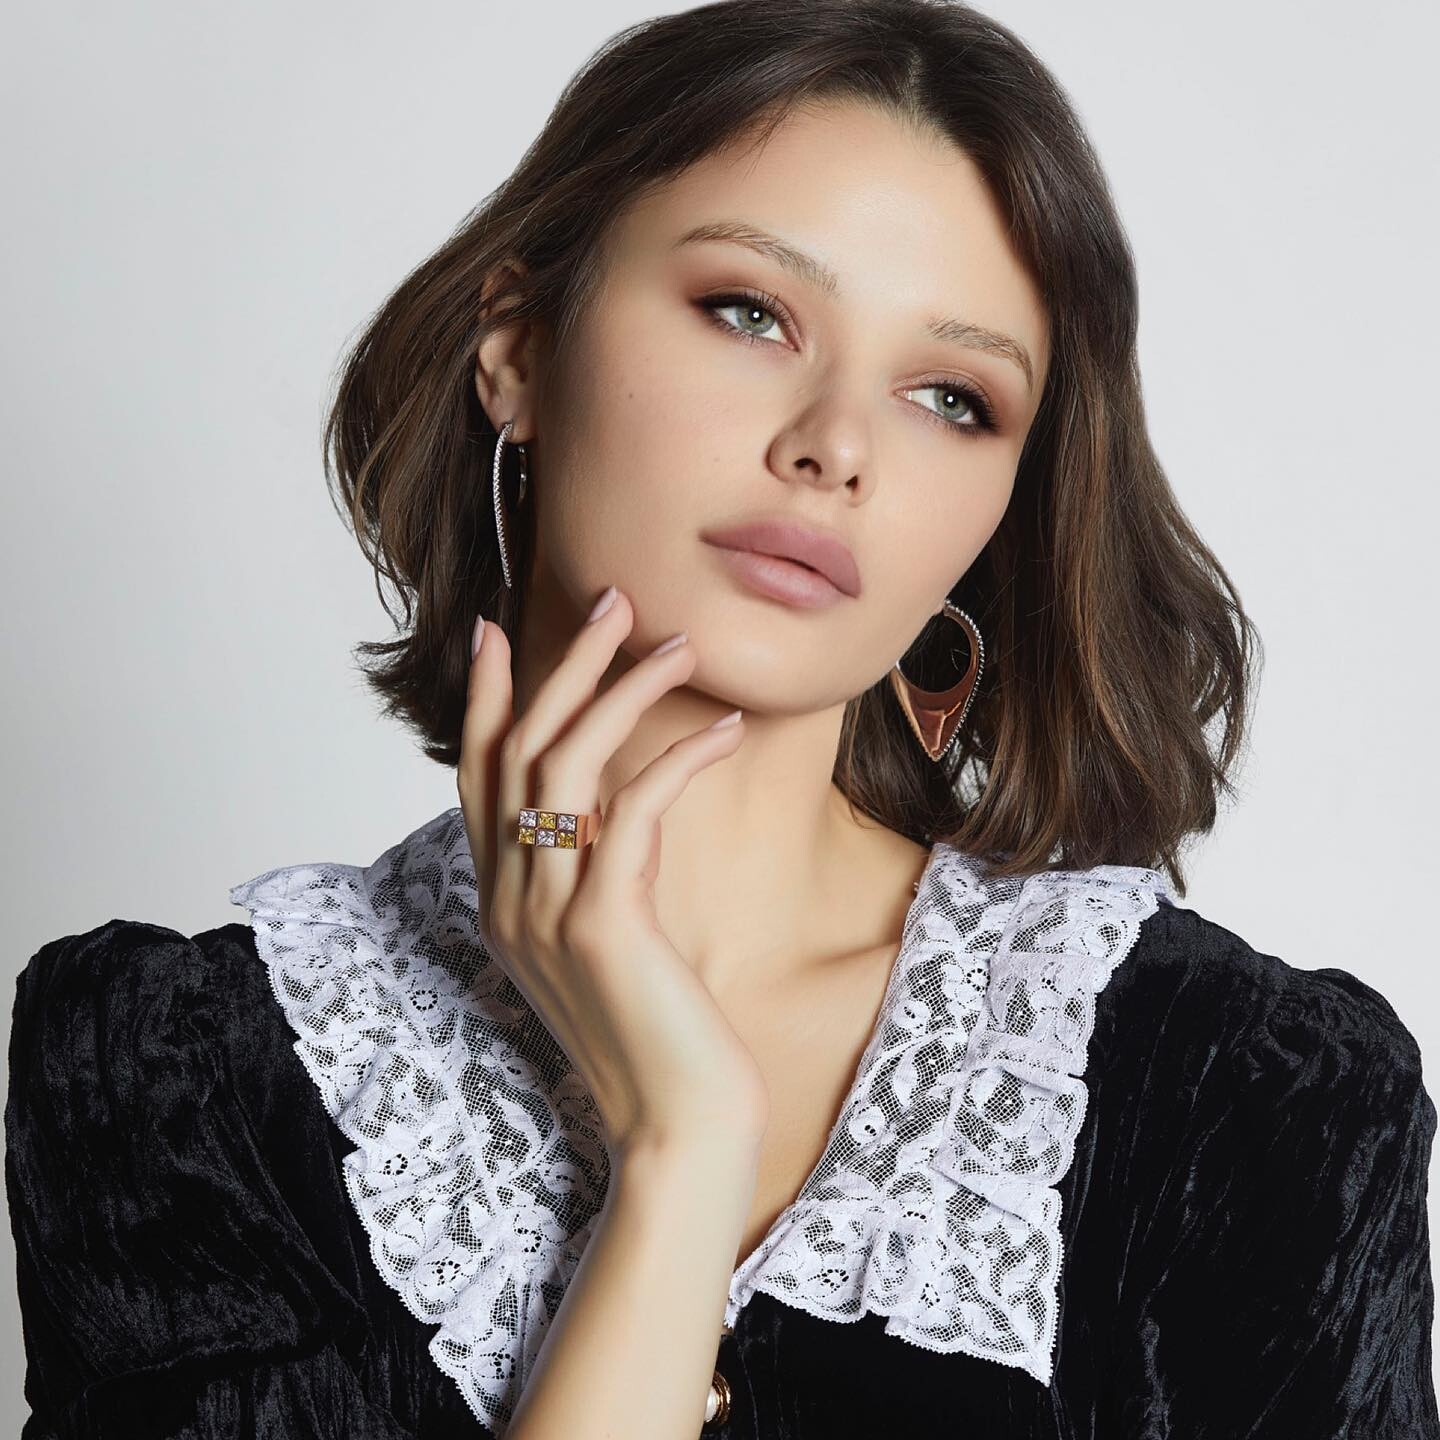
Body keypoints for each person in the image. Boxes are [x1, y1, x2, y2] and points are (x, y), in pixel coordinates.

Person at [7, 1, 1437, 1436]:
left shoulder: (1247, 1096)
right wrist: (681, 1153)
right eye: (750, 313)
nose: (837, 445)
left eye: (953, 397)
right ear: (517, 347)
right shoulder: (177, 1079)